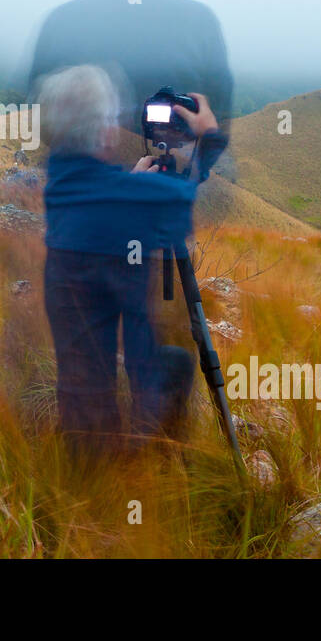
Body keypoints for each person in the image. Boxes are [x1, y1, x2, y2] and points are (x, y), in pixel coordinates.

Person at [36, 64, 222, 457]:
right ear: (104, 130)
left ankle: (85, 457)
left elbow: (104, 201)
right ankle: (158, 453)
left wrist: (136, 186)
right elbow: (184, 196)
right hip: (120, 427)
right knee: (176, 363)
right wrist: (209, 138)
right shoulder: (125, 196)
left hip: (81, 402)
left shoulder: (61, 186)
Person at [27, 0, 233, 175]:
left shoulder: (58, 19)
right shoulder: (200, 21)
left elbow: (35, 113)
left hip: (66, 188)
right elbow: (220, 118)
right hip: (173, 190)